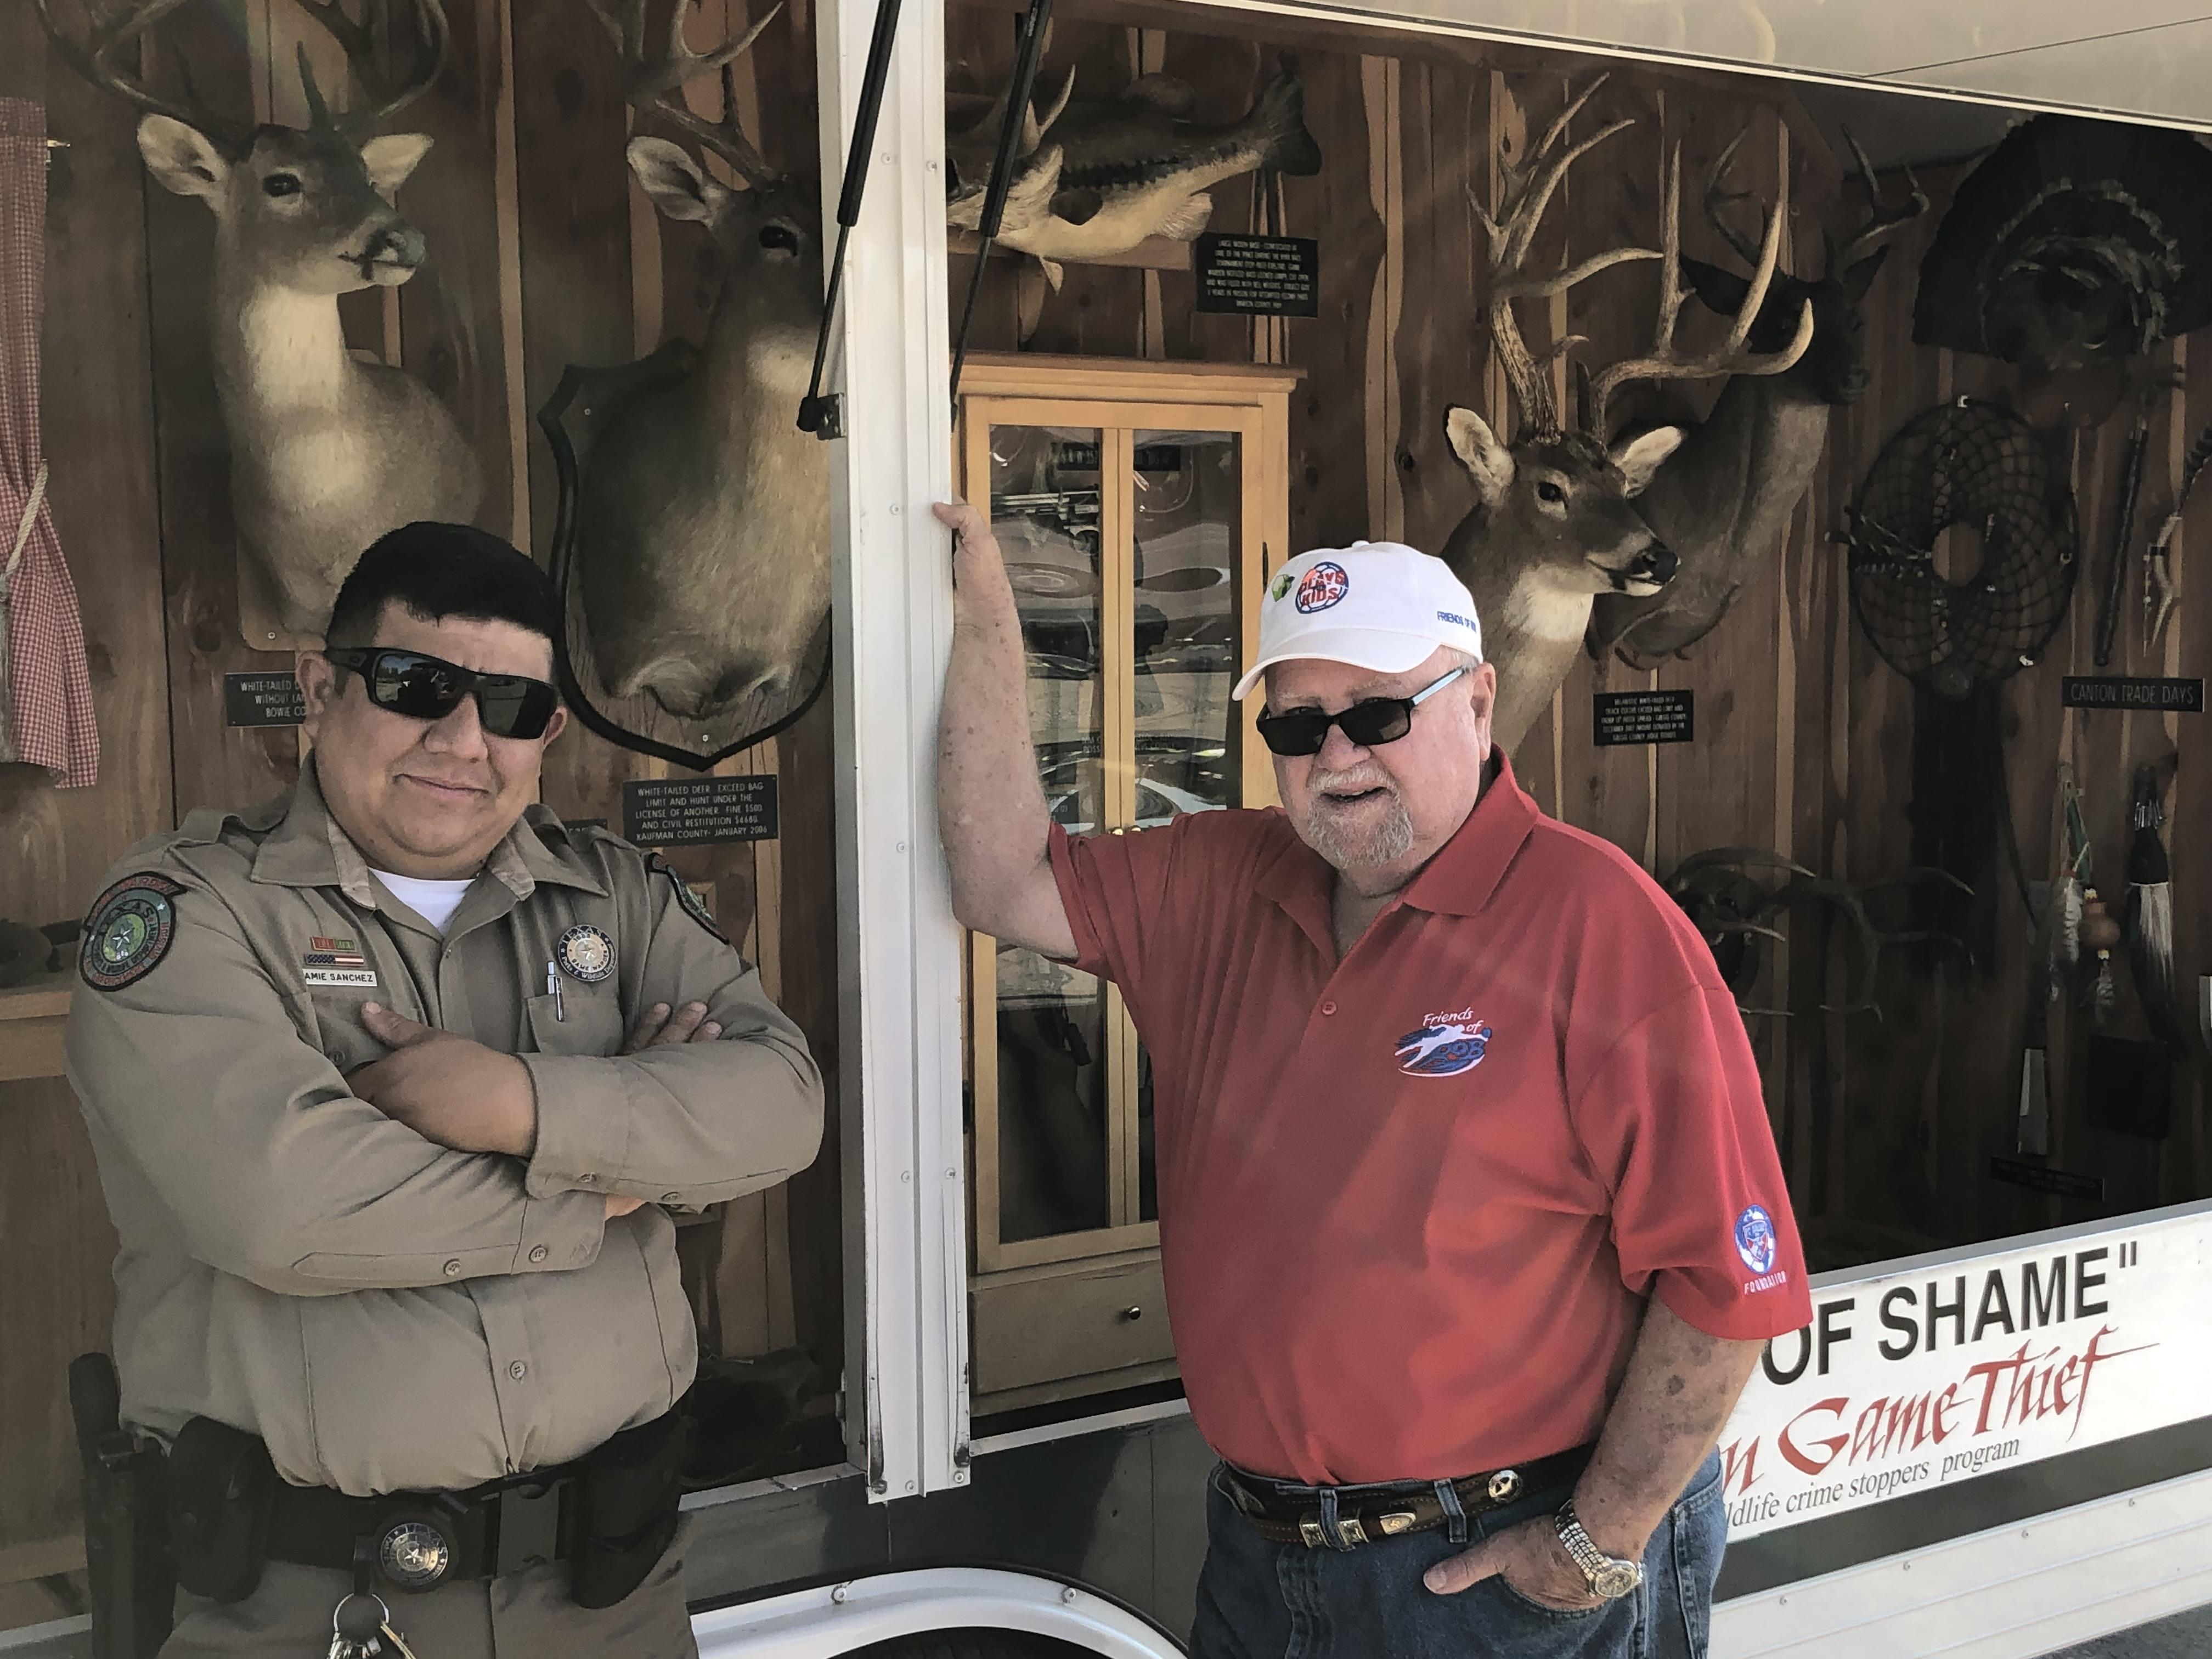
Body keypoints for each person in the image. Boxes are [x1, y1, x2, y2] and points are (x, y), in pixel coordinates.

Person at [933, 504, 1811, 1659]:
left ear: (1480, 704)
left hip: (1493, 1565)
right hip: (1259, 1554)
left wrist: (1597, 1544)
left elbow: (1727, 1286)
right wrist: (986, 611)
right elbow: (1001, 878)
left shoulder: (1599, 926)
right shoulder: (1225, 877)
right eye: (1299, 727)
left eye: (1380, 714)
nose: (1337, 755)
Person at [65, 521, 823, 1658]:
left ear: (550, 731)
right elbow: (286, 1209)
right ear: (320, 688)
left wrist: (518, 1104)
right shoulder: (192, 912)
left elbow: (781, 1106)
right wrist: (611, 1174)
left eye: (512, 706)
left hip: (613, 1602)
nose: (464, 738)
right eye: (418, 686)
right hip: (316, 1608)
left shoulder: (614, 899)